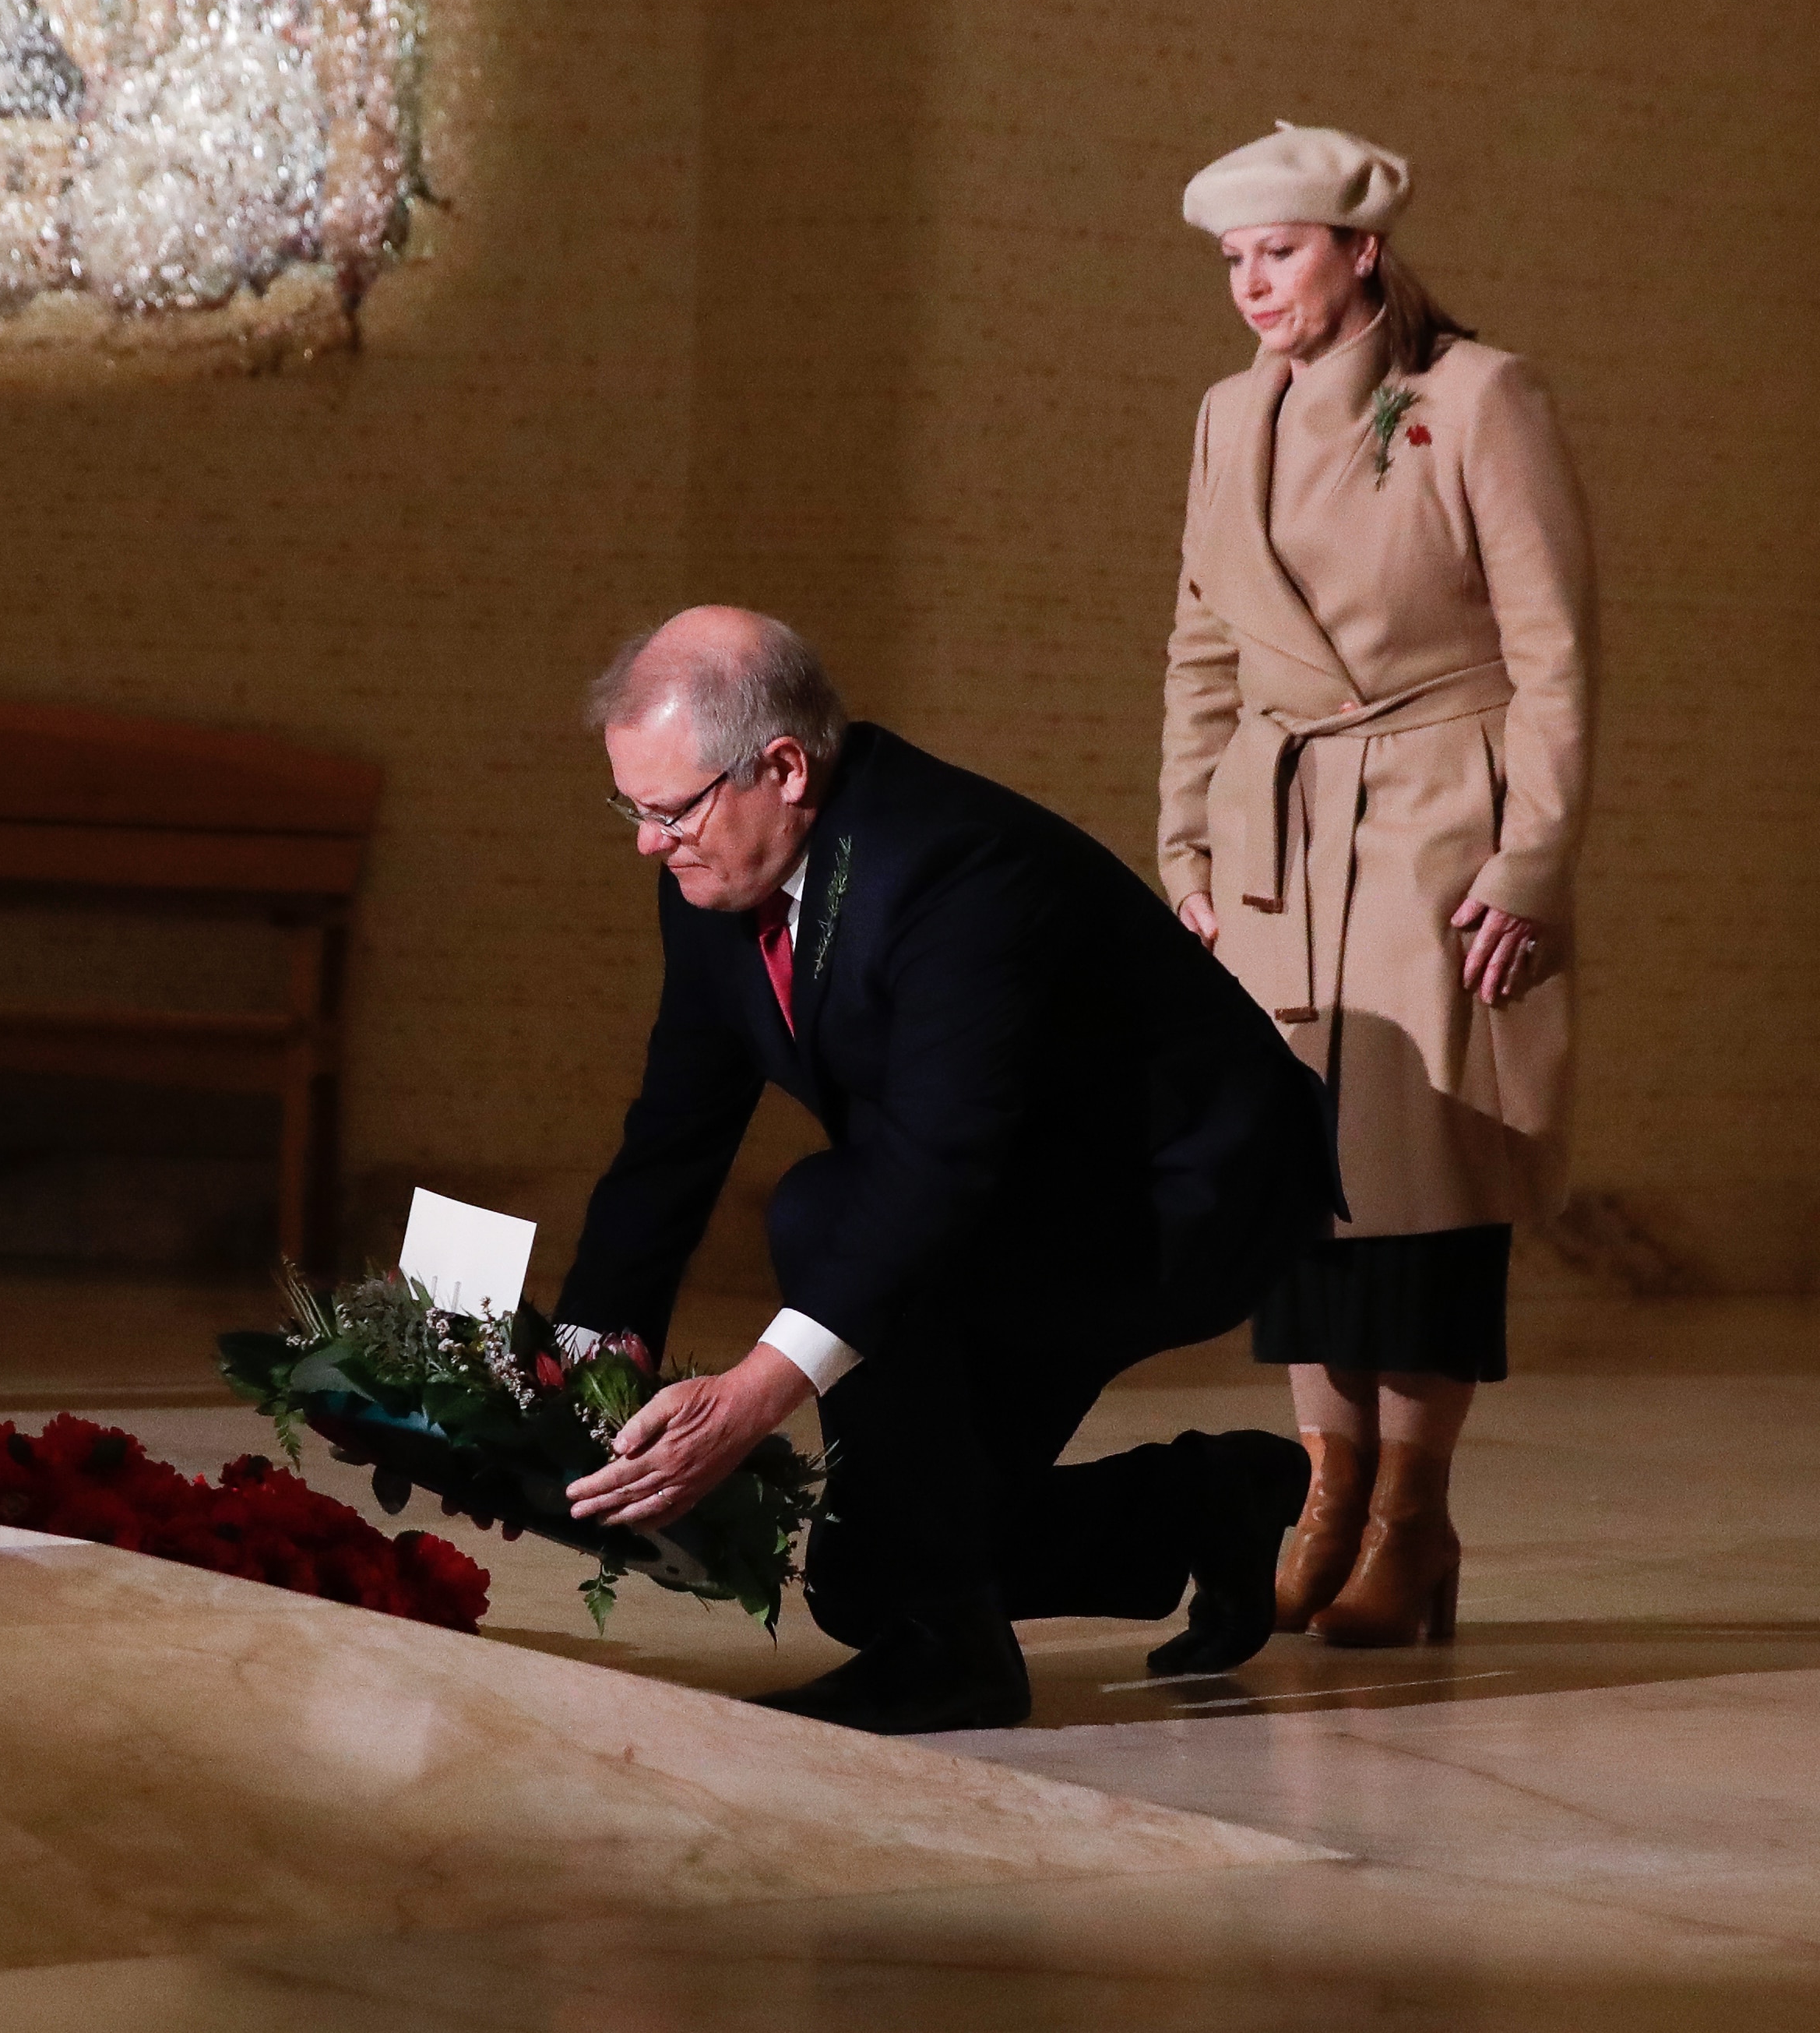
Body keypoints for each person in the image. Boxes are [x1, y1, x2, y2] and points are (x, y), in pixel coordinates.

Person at [558, 608, 1340, 1735]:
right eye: (630, 808)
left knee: (829, 1216)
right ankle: (1197, 1503)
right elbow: (674, 1128)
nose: (647, 840)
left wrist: (752, 1396)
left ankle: (954, 1661)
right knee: (870, 1568)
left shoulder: (949, 863)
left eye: (668, 808)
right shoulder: (713, 873)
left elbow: (932, 1171)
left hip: (1177, 1195)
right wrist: (589, 1352)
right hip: (1017, 1193)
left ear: (782, 767)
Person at [1163, 125, 1595, 1649]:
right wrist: (1183, 847)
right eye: (1231, 260)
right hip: (1274, 837)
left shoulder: (1478, 397)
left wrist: (1530, 855)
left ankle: (1409, 1513)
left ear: (1358, 250)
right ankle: (1325, 1494)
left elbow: (1549, 651)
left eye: (1275, 251)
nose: (1250, 285)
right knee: (1296, 1179)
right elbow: (1203, 646)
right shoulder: (1230, 417)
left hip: (1437, 822)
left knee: (1421, 1180)